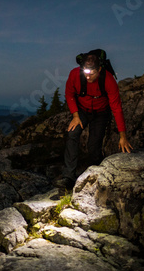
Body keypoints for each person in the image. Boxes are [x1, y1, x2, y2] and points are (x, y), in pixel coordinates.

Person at [55, 50, 132, 192]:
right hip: (82, 111)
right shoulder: (74, 75)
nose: (88, 76)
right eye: (85, 72)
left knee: (93, 145)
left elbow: (116, 108)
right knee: (72, 134)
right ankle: (68, 177)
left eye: (92, 72)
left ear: (100, 69)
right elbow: (69, 93)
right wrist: (75, 116)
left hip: (101, 113)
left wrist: (122, 136)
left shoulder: (108, 80)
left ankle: (95, 174)